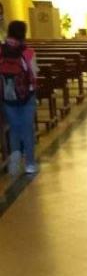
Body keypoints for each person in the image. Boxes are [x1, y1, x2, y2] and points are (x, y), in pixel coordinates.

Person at [1, 20, 39, 175]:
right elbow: (34, 73)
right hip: (26, 96)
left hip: (8, 96)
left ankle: (15, 159)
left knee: (14, 128)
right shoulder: (28, 52)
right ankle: (30, 163)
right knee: (27, 128)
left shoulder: (1, 50)